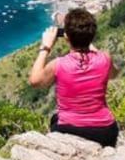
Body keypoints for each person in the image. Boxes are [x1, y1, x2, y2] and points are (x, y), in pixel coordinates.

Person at [29, 8, 119, 148]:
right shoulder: (105, 59)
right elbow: (114, 75)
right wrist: (86, 41)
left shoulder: (59, 64)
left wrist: (45, 47)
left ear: (66, 37)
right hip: (106, 131)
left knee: (55, 119)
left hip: (70, 130)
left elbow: (35, 81)